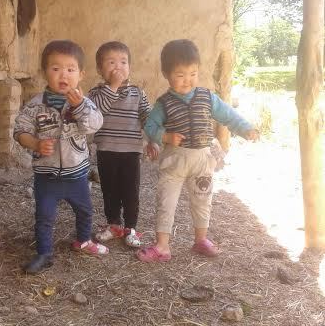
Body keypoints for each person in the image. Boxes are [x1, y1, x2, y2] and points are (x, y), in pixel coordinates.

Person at [137, 39, 259, 262]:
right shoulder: (164, 103)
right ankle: (162, 246)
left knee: (203, 200)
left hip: (202, 159)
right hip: (175, 160)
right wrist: (165, 136)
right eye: (180, 75)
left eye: (193, 73)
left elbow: (228, 115)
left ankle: (201, 240)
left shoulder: (207, 97)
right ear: (166, 74)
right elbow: (150, 126)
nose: (188, 80)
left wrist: (245, 129)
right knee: (166, 202)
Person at [13, 40, 108, 274]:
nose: (63, 74)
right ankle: (44, 253)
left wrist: (80, 107)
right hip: (47, 177)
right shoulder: (36, 105)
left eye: (70, 69)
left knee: (85, 210)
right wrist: (35, 143)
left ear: (81, 74)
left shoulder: (85, 104)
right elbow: (20, 131)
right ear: (44, 72)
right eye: (55, 68)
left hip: (77, 176)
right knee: (44, 216)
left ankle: (83, 241)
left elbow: (95, 125)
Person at [88, 41, 158, 248]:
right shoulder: (96, 93)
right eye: (111, 62)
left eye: (123, 62)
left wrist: (152, 139)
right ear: (100, 69)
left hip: (131, 152)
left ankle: (130, 228)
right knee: (109, 191)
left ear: (130, 67)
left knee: (130, 192)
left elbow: (147, 118)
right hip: (106, 150)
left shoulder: (138, 93)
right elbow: (95, 112)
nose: (118, 67)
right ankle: (113, 224)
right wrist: (113, 87)